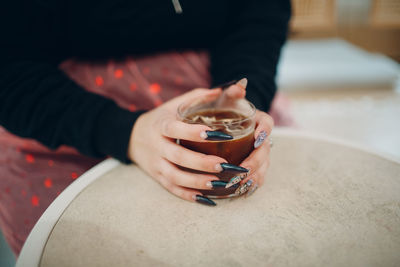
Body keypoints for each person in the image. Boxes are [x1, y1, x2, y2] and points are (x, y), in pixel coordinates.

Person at [0, 0, 291, 255]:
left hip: (219, 79)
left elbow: (259, 14)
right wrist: (125, 132)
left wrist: (242, 98)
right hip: (64, 111)